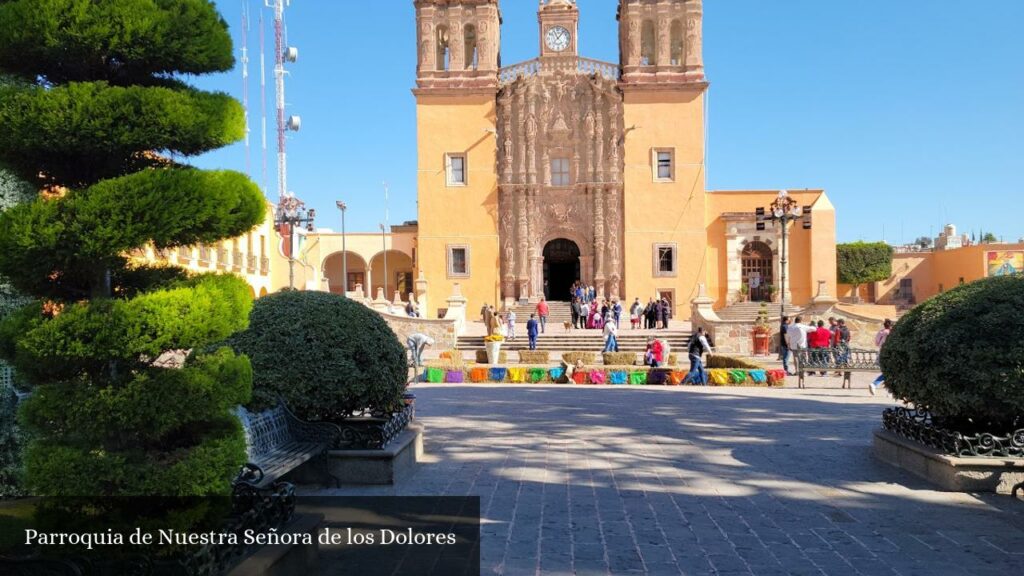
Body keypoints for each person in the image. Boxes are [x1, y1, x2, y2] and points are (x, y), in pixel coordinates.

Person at [870, 319, 894, 395]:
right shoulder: (891, 333)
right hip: (889, 353)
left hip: (881, 353)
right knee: (890, 372)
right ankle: (875, 383)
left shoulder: (880, 332)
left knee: (888, 372)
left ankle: (890, 390)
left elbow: (877, 343)